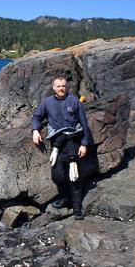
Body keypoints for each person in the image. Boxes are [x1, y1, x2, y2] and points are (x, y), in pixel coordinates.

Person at [32, 74, 92, 220]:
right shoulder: (47, 102)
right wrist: (35, 130)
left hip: (73, 142)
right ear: (53, 87)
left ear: (67, 87)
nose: (61, 88)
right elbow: (37, 117)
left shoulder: (74, 101)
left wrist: (84, 144)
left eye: (63, 86)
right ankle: (65, 197)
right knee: (58, 175)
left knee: (75, 176)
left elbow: (84, 124)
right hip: (57, 144)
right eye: (58, 86)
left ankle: (77, 208)